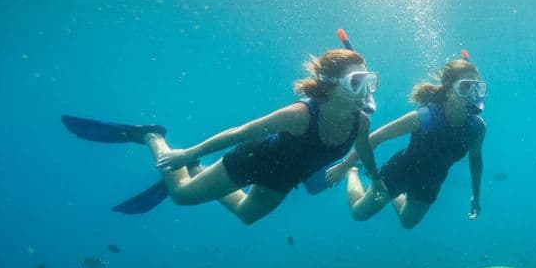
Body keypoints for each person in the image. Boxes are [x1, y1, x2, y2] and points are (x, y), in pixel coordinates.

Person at [62, 48, 382, 224]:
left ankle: (199, 170)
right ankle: (152, 136)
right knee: (181, 196)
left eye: (369, 82)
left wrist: (374, 176)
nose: (365, 91)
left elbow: (363, 150)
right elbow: (238, 133)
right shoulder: (300, 115)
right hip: (252, 160)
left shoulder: (360, 122)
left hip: (285, 177)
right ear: (330, 84)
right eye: (356, 82)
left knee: (247, 216)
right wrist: (185, 155)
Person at [325, 55, 486, 229]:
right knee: (359, 214)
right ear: (448, 90)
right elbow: (375, 138)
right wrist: (345, 166)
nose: (472, 94)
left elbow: (475, 160)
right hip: (400, 171)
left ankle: (392, 194)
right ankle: (354, 173)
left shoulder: (477, 128)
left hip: (431, 182)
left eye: (478, 88)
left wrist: (476, 195)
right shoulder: (426, 117)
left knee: (408, 223)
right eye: (465, 87)